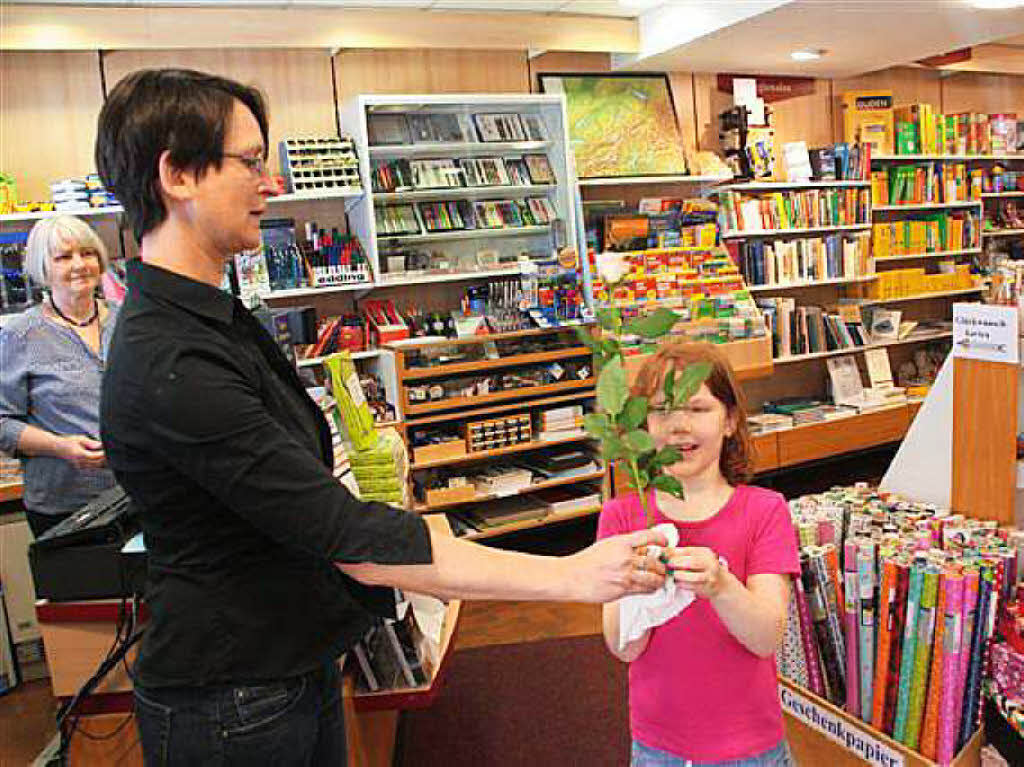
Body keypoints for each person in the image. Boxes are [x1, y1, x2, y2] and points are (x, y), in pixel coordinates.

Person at [94, 67, 667, 767]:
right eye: (249, 161)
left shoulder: (209, 317)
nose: (270, 182)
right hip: (232, 701)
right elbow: (350, 538)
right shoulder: (170, 360)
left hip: (284, 667)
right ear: (177, 174)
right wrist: (572, 577)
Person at [597, 342, 799, 767]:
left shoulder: (764, 511)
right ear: (641, 425)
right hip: (658, 746)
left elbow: (766, 636)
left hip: (750, 747)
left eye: (698, 408)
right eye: (661, 410)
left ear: (730, 420)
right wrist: (640, 589)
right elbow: (622, 647)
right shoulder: (623, 516)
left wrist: (721, 586)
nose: (679, 427)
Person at [0, 216, 118, 537]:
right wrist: (60, 447)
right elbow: (2, 422)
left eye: (87, 253)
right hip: (65, 508)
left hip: (137, 493)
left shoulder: (128, 322)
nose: (79, 265)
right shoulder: (21, 334)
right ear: (43, 267)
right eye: (64, 257)